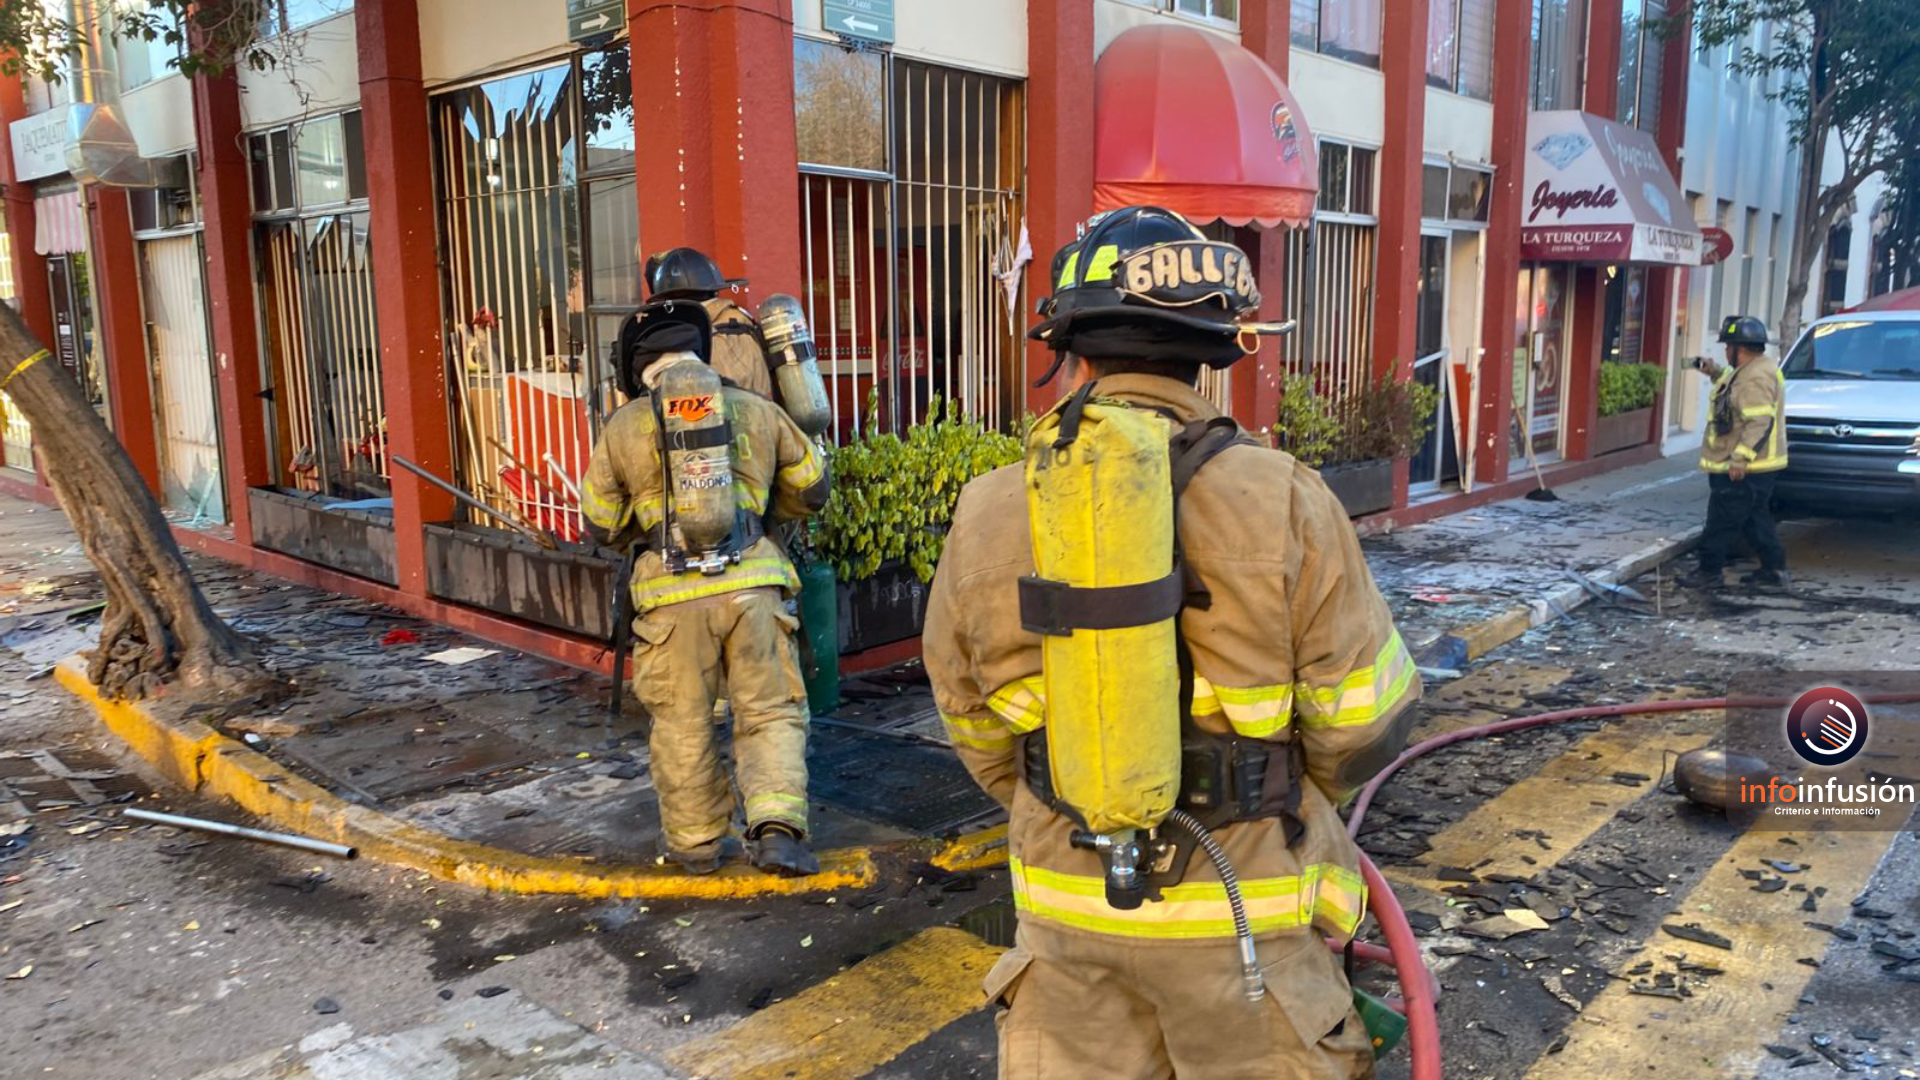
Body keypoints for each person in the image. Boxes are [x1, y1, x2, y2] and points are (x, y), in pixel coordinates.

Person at [922, 206, 1421, 1079]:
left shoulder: (989, 507)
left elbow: (970, 721)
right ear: (1212, 350)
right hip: (1246, 918)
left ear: (1070, 350)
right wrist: (1274, 788)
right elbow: (1363, 721)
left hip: (1067, 917)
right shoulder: (1286, 496)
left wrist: (1067, 790)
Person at [580, 299, 830, 876]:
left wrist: (644, 535)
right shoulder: (757, 408)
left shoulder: (622, 426)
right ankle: (778, 832)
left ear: (635, 367)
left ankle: (694, 846)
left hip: (670, 601)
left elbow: (599, 522)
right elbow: (812, 489)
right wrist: (762, 516)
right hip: (756, 589)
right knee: (768, 711)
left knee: (683, 721)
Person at [1676, 315, 1789, 590]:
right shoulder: (1755, 369)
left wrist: (1740, 458)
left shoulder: (1755, 378)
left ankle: (1708, 572)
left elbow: (1759, 421)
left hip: (1744, 468)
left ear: (1740, 348)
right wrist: (1712, 370)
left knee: (1721, 520)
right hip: (1760, 468)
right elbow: (1733, 385)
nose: (1725, 351)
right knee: (1755, 520)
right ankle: (1774, 571)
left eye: (1727, 347)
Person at [644, 247, 777, 401]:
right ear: (714, 290)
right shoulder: (743, 320)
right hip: (765, 419)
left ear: (670, 299)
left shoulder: (689, 341)